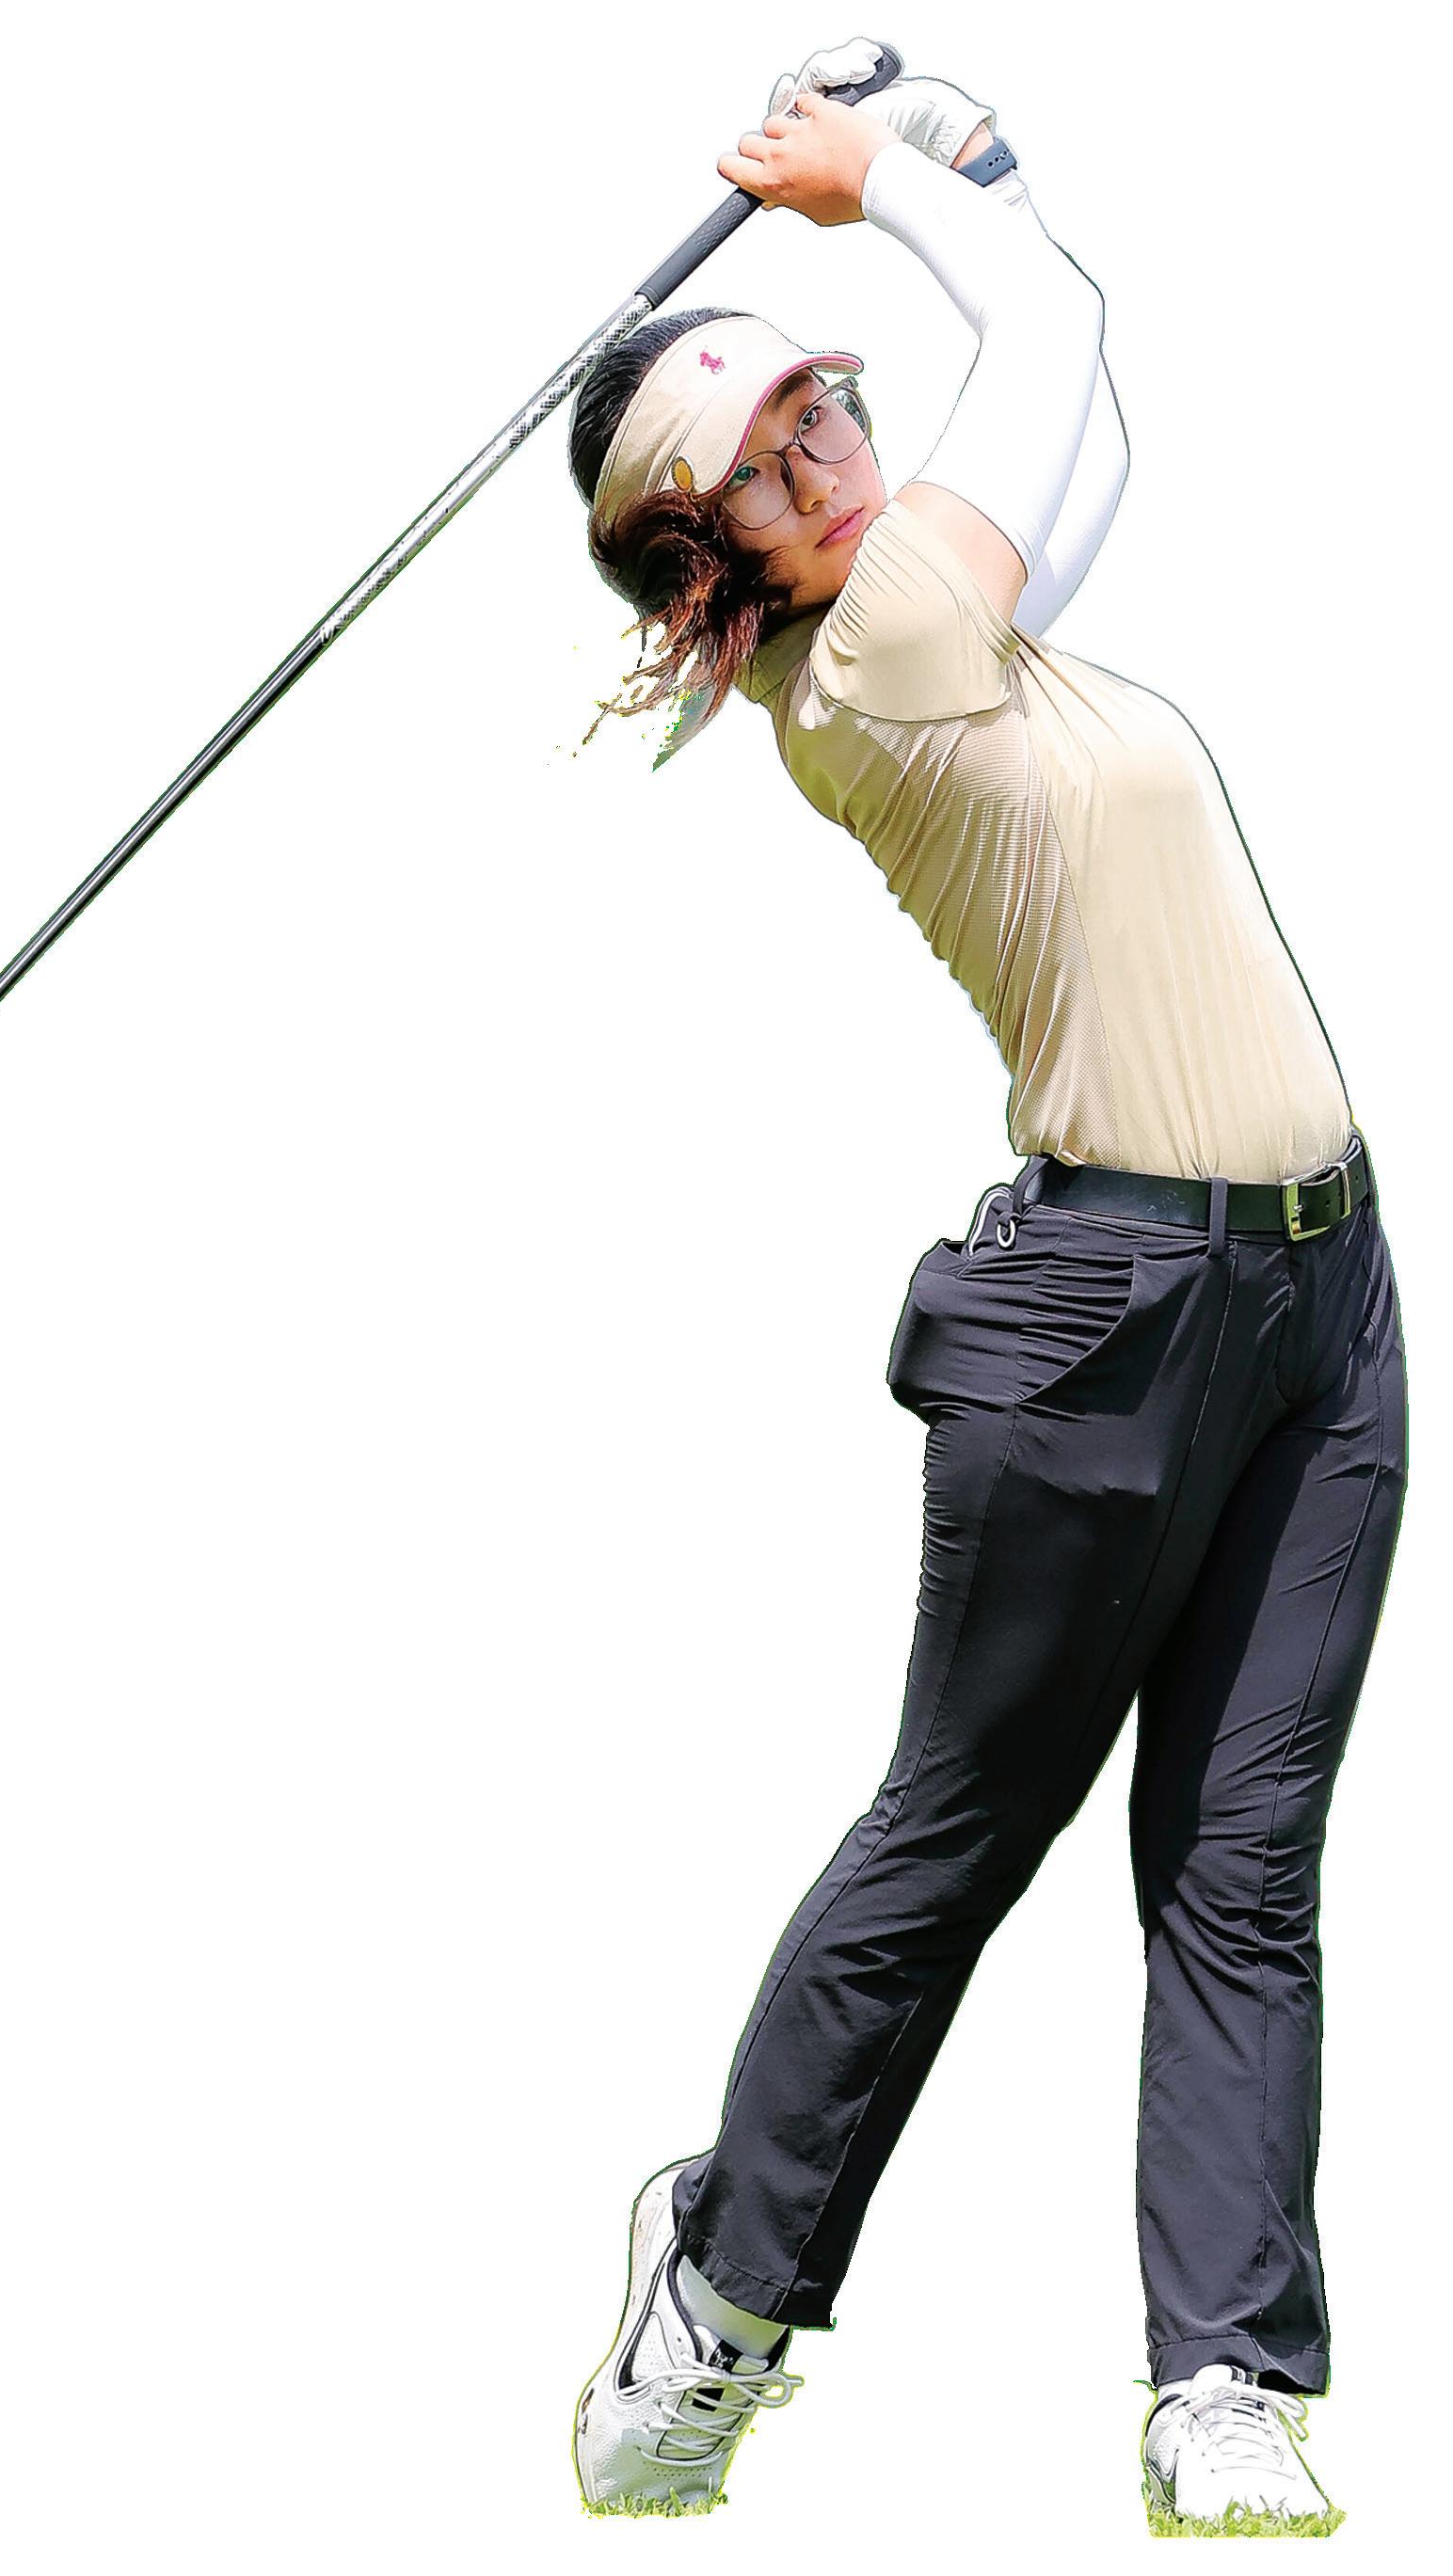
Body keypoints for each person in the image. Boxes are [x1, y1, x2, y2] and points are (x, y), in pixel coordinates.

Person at [566, 42, 1409, 2536]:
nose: (832, 451)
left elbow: (1085, 410)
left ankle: (1226, 2374)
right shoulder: (878, 667)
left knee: (1244, 1858)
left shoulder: (969, 619)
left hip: (1321, 1301)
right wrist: (884, 185)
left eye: (830, 404)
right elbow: (1050, 340)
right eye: (770, 457)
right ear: (710, 549)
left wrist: (956, 150)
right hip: (1106, 1325)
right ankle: (719, 2295)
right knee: (960, 1827)